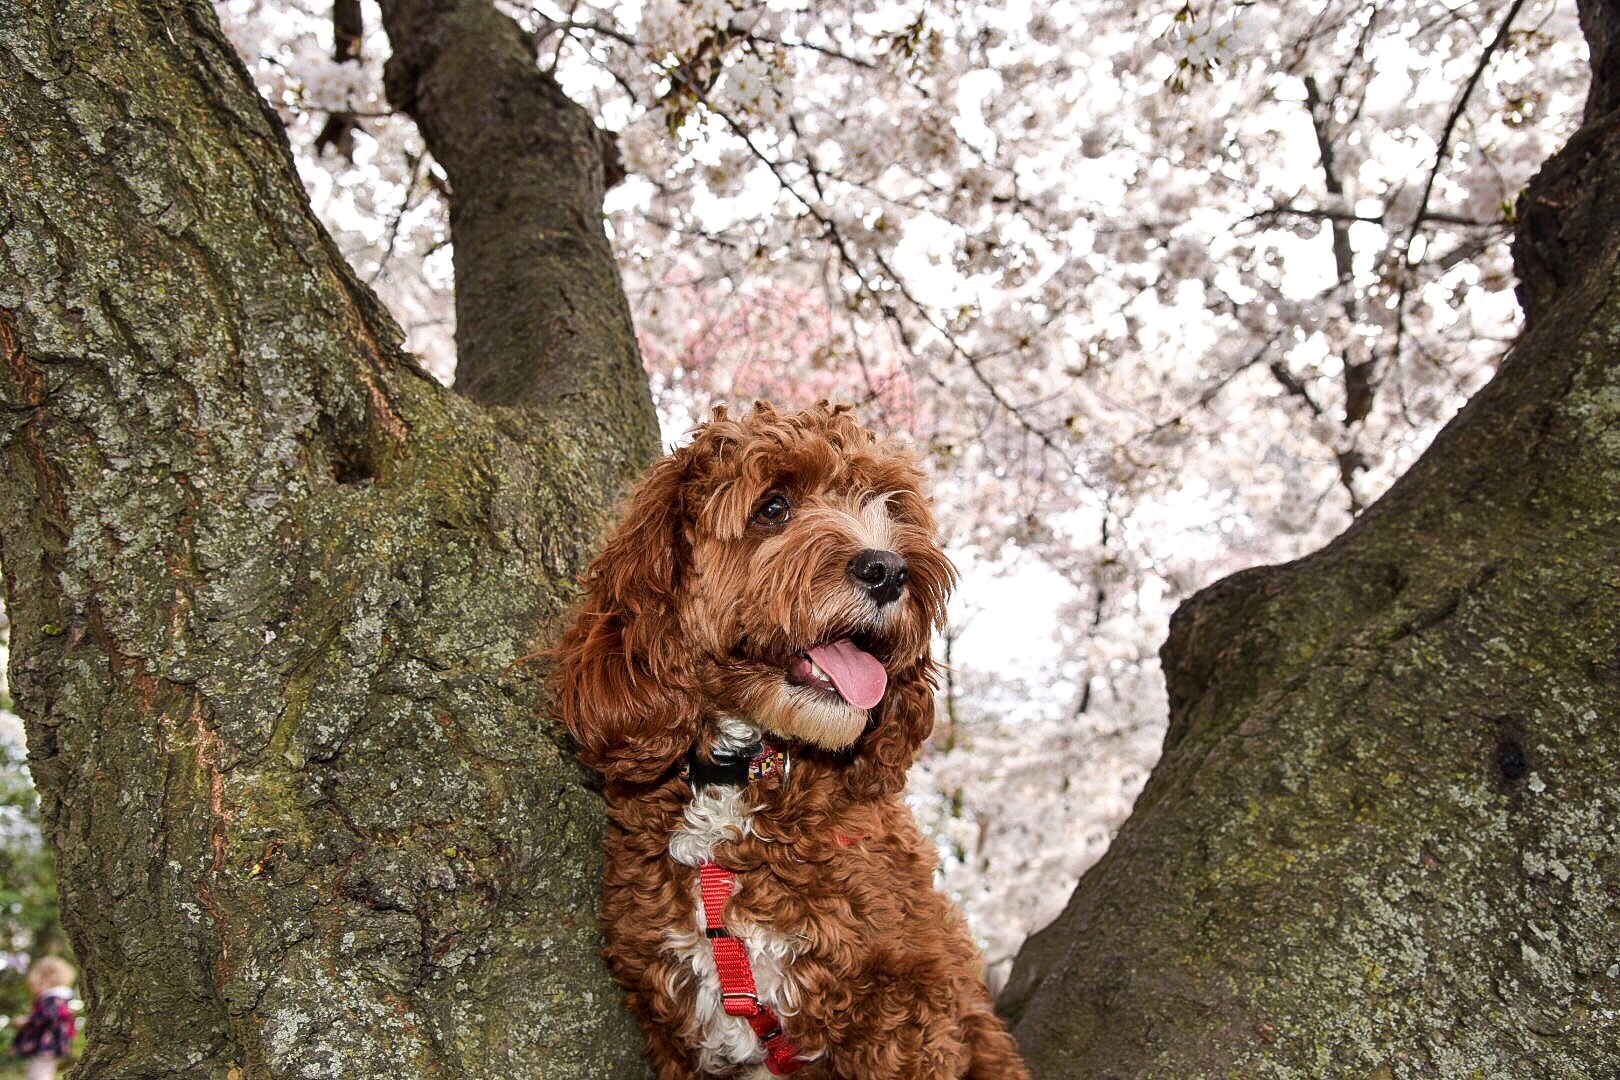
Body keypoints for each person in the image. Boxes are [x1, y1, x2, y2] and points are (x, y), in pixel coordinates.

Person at [9, 956, 76, 1080]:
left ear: (45, 980)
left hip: (47, 1046)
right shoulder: (59, 999)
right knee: (39, 1072)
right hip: (50, 1046)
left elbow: (46, 1016)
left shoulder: (52, 999)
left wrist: (27, 1021)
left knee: (38, 1074)